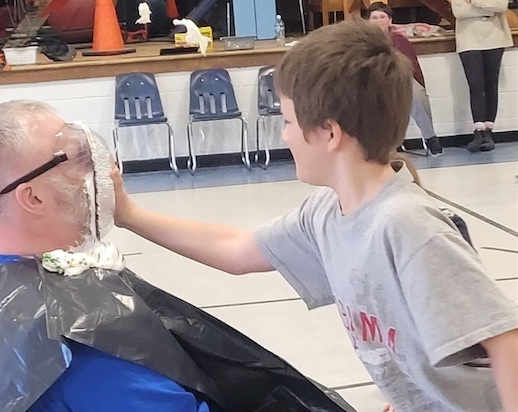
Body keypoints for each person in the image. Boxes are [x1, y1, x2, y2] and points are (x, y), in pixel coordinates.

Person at [111, 19, 518, 412]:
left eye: (288, 121)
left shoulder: (407, 226)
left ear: (329, 133)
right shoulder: (326, 213)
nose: (284, 134)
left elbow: (506, 340)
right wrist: (128, 214)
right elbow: (237, 250)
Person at [0, 101, 352, 412]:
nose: (103, 170)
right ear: (34, 197)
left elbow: (243, 249)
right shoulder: (81, 342)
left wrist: (125, 212)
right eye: (76, 159)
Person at [367, 2, 443, 156]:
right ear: (368, 21)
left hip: (399, 78)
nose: (378, 20)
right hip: (372, 81)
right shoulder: (361, 41)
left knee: (417, 95)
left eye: (382, 16)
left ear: (390, 20)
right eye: (374, 17)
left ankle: (430, 137)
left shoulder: (399, 40)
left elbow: (409, 65)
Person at [451, 0, 512, 152]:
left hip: (495, 38)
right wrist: (488, 9)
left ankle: (489, 131)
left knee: (491, 84)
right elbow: (459, 12)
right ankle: (478, 130)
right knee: (475, 84)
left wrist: (475, 2)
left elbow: (501, 6)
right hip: (468, 40)